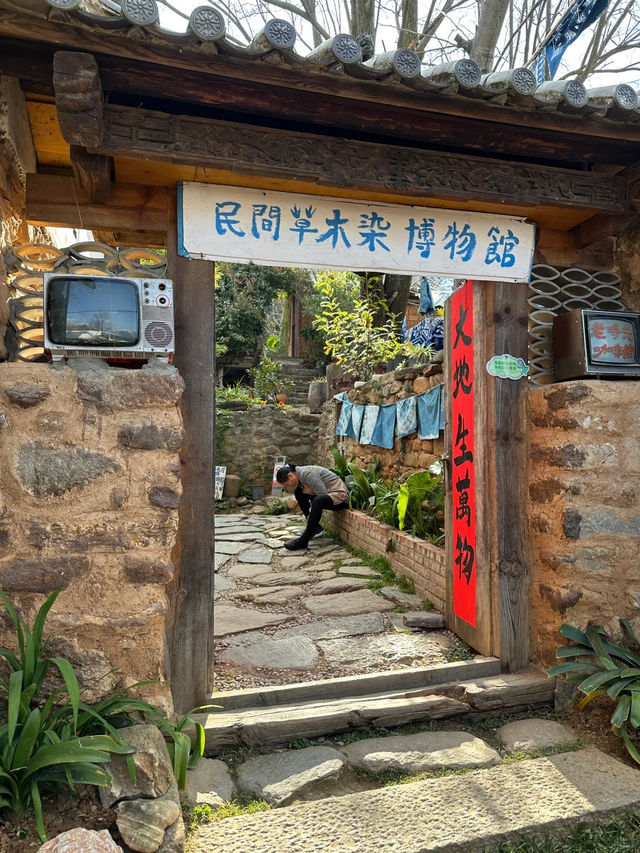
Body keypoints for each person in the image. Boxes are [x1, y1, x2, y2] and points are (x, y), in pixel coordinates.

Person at [276, 463, 349, 550]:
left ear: (290, 476)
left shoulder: (307, 473)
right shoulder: (300, 477)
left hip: (340, 496)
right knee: (298, 492)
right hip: (328, 494)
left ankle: (304, 540)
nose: (287, 486)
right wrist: (309, 514)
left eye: (286, 484)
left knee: (318, 500)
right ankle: (316, 528)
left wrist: (310, 512)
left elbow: (322, 494)